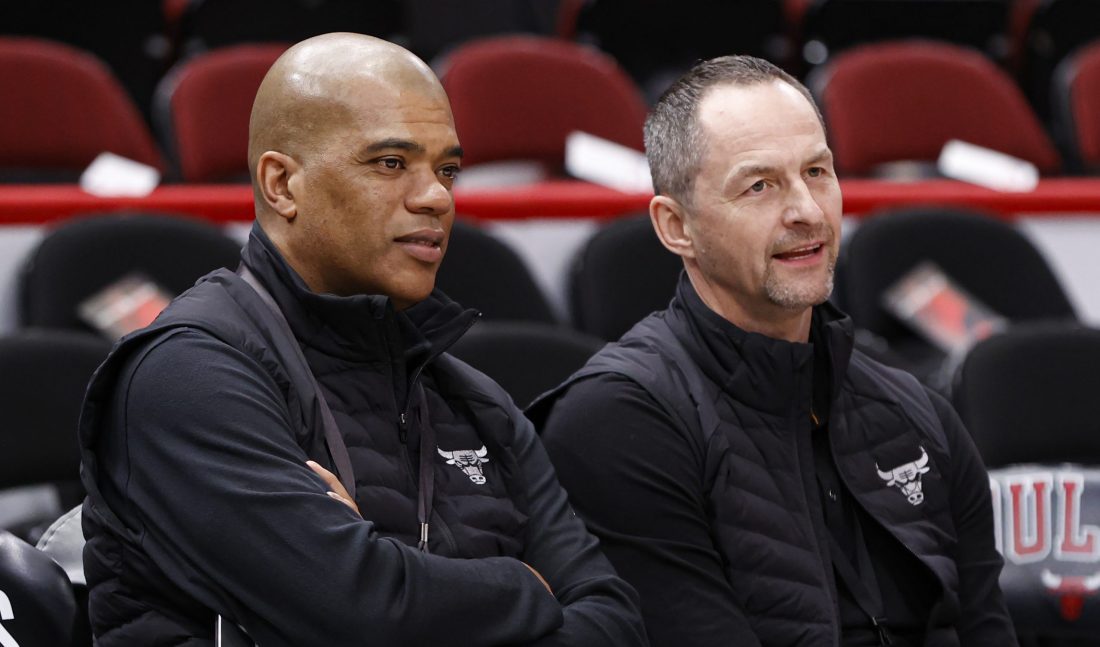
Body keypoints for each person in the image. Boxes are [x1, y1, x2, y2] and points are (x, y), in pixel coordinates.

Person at [79, 33, 646, 646]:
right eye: (390, 163)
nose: (436, 197)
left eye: (448, 169)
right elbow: (362, 611)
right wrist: (529, 588)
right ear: (281, 184)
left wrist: (397, 583)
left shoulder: (475, 401)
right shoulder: (185, 373)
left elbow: (614, 621)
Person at [531, 56, 1016, 646]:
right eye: (760, 185)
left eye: (817, 171)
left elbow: (989, 629)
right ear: (676, 227)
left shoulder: (919, 411)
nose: (807, 212)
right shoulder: (615, 421)